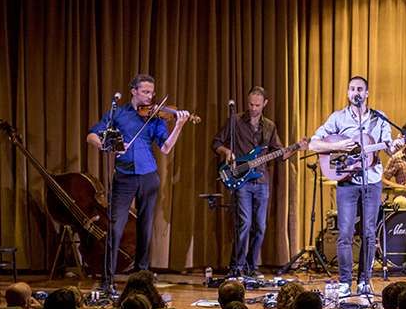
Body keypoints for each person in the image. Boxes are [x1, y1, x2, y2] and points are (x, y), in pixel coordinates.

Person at [87, 74, 191, 280]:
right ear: (133, 91)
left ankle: (141, 275)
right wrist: (108, 145)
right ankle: (108, 278)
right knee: (115, 226)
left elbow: (166, 148)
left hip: (148, 176)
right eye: (145, 92)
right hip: (124, 177)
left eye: (151, 92)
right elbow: (91, 136)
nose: (149, 97)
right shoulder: (118, 113)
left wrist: (178, 126)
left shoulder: (156, 117)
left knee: (145, 227)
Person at [308, 76, 405, 296]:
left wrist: (397, 145)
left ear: (367, 93)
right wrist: (340, 145)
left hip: (372, 181)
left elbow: (389, 148)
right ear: (347, 93)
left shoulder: (379, 118)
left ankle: (364, 281)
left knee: (369, 233)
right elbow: (314, 143)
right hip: (347, 182)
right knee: (345, 233)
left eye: (359, 89)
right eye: (352, 89)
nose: (355, 93)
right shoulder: (338, 118)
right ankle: (345, 281)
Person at [212, 86, 295, 279]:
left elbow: (279, 153)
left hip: (262, 181)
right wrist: (227, 152)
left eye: (257, 105)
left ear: (265, 104)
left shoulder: (269, 126)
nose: (253, 108)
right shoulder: (235, 121)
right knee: (245, 223)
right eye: (250, 104)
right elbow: (216, 143)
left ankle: (251, 266)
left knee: (260, 226)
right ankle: (238, 266)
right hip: (241, 180)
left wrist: (295, 148)